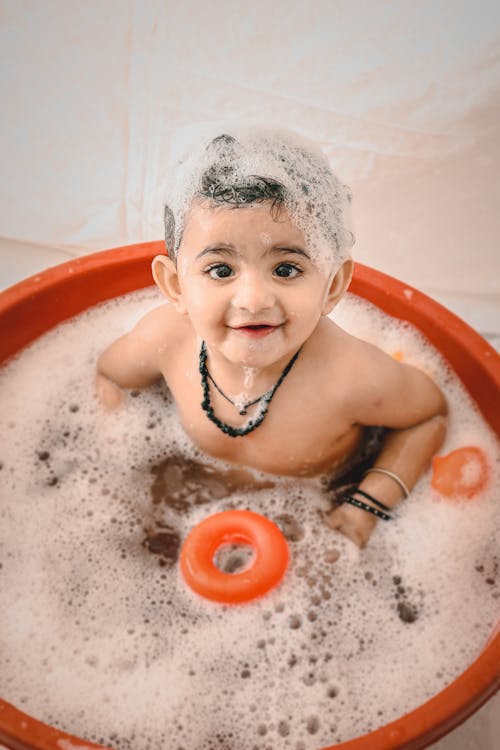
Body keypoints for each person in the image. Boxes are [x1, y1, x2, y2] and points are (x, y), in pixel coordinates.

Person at [96, 127, 447, 548]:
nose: (253, 300)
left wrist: (364, 509)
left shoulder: (351, 374)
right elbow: (110, 376)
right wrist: (117, 456)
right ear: (175, 286)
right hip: (190, 492)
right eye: (221, 270)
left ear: (332, 286)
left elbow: (429, 416)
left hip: (316, 509)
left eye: (285, 269)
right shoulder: (166, 339)